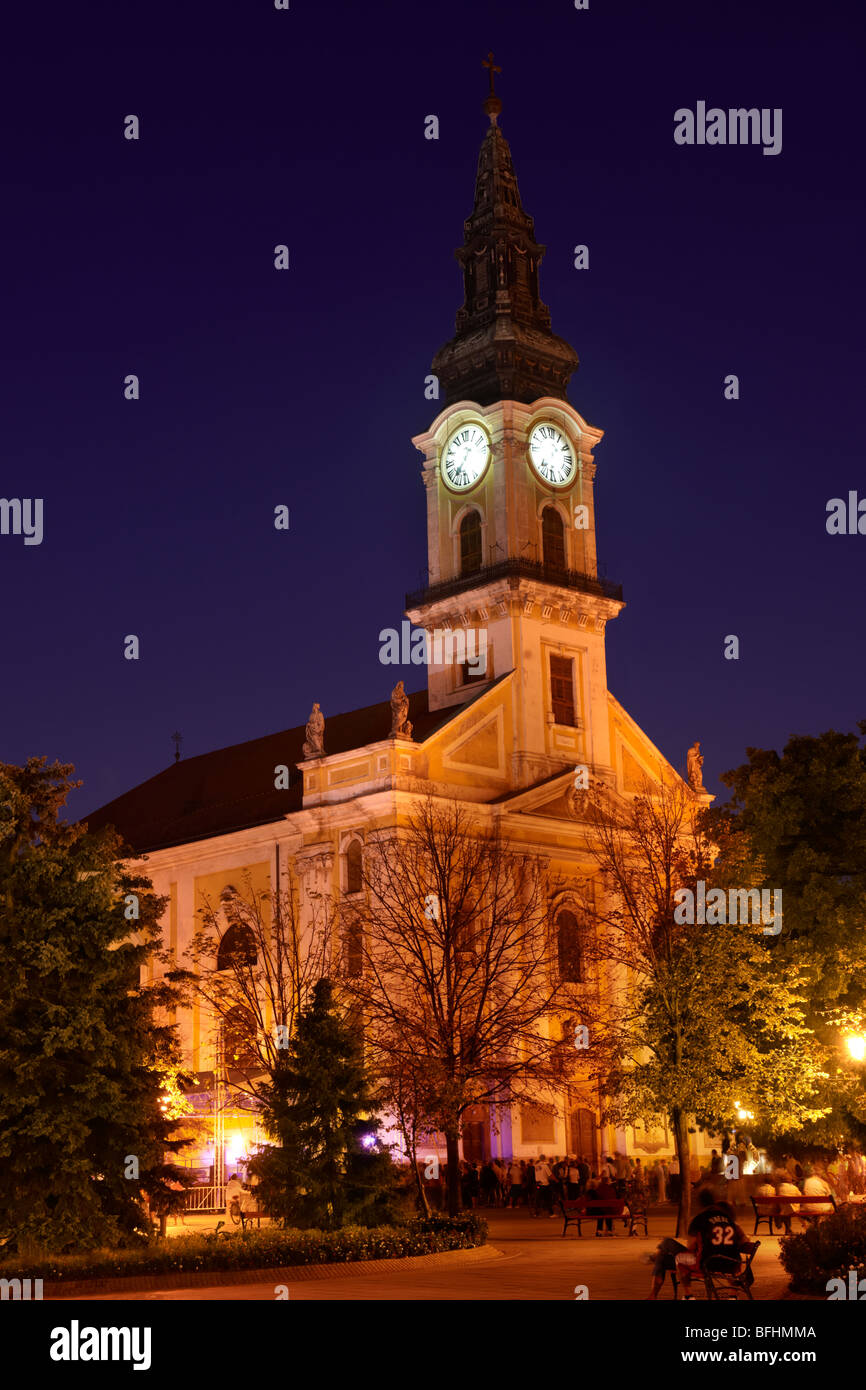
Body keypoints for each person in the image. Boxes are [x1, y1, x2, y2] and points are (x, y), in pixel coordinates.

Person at [646, 1189, 751, 1299]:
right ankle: (733, 1296)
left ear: (700, 1204)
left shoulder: (699, 1219)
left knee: (670, 1250)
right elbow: (744, 1239)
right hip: (731, 1263)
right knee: (664, 1253)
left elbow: (690, 1247)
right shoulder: (729, 1220)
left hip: (706, 1263)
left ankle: (687, 1295)